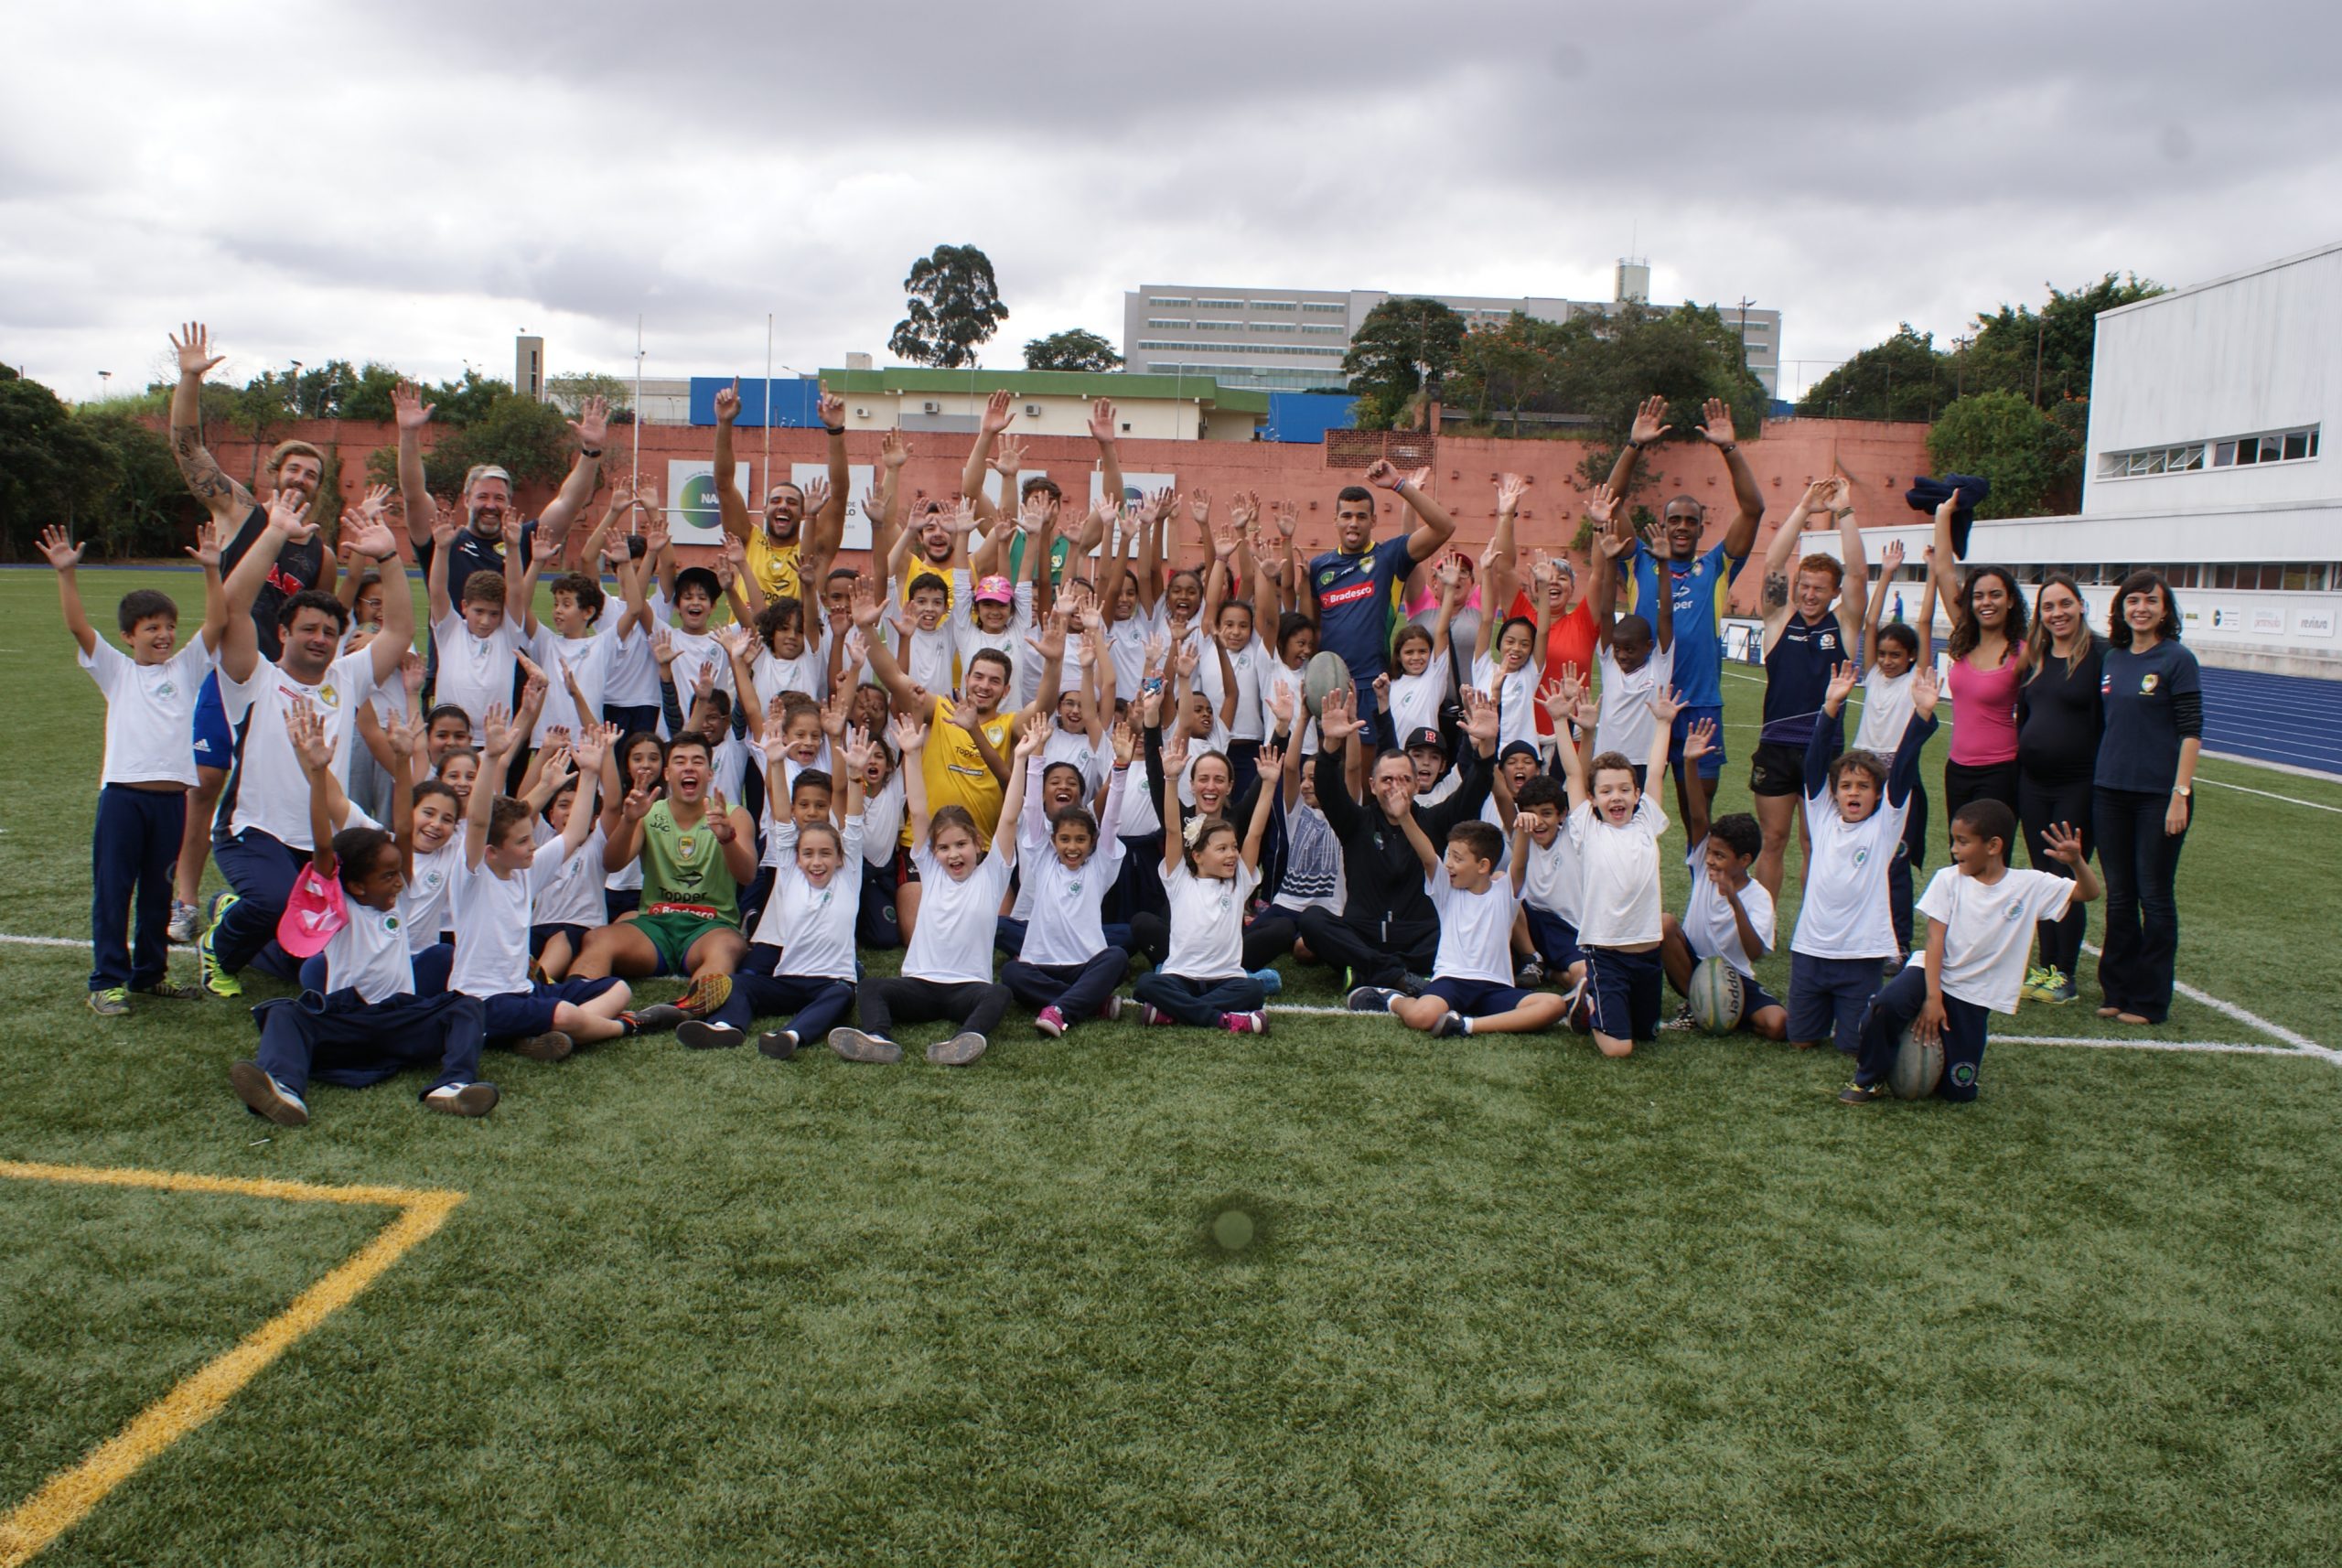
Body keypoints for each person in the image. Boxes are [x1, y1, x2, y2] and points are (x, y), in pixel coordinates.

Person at [230, 707, 493, 1127]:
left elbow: (404, 832)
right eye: (387, 876)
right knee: (284, 1011)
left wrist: (405, 764)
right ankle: (285, 1089)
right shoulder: (341, 907)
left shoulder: (401, 899)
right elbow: (321, 843)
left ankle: (453, 1085)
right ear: (353, 885)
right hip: (346, 1021)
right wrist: (317, 774)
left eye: (398, 874)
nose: (398, 882)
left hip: (399, 1020)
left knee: (467, 1007)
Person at [198, 492, 414, 997]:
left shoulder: (347, 677)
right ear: (283, 632)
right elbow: (232, 610)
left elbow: (400, 629)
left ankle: (244, 918)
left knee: (314, 959)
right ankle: (219, 949)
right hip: (255, 831)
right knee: (273, 901)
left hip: (322, 840)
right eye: (309, 629)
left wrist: (388, 555)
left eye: (330, 632)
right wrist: (274, 532)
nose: (320, 639)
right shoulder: (254, 677)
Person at [166, 323, 330, 942]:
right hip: (226, 669)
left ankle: (259, 902)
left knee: (266, 793)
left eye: (313, 473)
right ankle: (183, 900)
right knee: (206, 780)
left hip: (278, 689)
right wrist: (190, 378)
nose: (302, 479)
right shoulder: (241, 511)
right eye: (293, 468)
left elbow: (327, 621)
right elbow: (187, 451)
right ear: (274, 475)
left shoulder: (320, 551)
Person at [42, 521, 227, 1013]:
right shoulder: (117, 671)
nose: (164, 635)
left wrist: (212, 570)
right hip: (124, 798)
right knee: (114, 891)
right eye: (152, 628)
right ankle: (106, 980)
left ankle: (149, 974)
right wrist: (66, 574)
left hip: (171, 802)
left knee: (157, 894)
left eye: (169, 626)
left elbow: (217, 624)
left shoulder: (187, 668)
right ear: (128, 636)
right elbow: (79, 628)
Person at [1843, 803, 2100, 1104]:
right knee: (1887, 1005)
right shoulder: (1948, 880)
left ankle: (1919, 1052)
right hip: (1931, 974)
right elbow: (1934, 939)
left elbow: (2089, 893)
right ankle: (1869, 1077)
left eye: (1963, 841)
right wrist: (1933, 998)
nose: (1954, 849)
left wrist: (2076, 862)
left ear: (1993, 846)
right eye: (1954, 840)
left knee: (1958, 1092)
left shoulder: (2028, 885)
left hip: (1974, 995)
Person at [449, 712, 670, 1058]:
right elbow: (478, 821)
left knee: (619, 989)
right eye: (523, 842)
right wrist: (491, 759)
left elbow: (575, 834)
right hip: (482, 1003)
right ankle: (625, 1026)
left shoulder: (525, 872)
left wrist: (590, 774)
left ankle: (553, 1031)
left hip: (523, 991)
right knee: (566, 1013)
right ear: (491, 852)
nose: (533, 846)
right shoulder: (471, 874)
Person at [828, 713, 1036, 1066]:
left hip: (968, 989)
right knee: (871, 986)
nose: (953, 854)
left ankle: (965, 1040)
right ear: (932, 852)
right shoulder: (931, 869)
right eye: (944, 848)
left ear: (977, 844)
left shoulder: (993, 874)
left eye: (961, 845)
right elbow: (920, 811)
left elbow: (1010, 817)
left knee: (999, 993)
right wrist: (911, 753)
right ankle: (878, 1038)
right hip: (920, 984)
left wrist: (1019, 759)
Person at [1604, 395, 1765, 829]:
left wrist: (1729, 448)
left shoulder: (1715, 567)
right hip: (1642, 703)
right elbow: (1610, 503)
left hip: (1699, 706)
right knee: (1627, 815)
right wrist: (1634, 446)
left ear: (1700, 527)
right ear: (1664, 522)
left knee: (1699, 817)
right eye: (1674, 519)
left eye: (1689, 522)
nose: (1680, 527)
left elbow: (1754, 509)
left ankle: (1700, 898)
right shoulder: (1639, 561)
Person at [677, 721, 874, 1058]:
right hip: (787, 979)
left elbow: (853, 824)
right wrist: (777, 762)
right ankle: (726, 1028)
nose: (816, 862)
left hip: (831, 980)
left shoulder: (848, 874)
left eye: (825, 853)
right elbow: (782, 817)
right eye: (808, 854)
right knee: (738, 983)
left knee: (843, 995)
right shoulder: (791, 870)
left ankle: (790, 1036)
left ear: (841, 858)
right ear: (795, 858)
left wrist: (855, 775)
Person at [394, 377, 609, 684]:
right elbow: (414, 493)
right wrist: (408, 434)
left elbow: (568, 504)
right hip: (451, 681)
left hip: (509, 682)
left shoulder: (520, 540)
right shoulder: (444, 541)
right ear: (467, 499)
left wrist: (590, 453)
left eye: (499, 498)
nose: (491, 505)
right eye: (482, 496)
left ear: (509, 503)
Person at [1787, 661, 1941, 1053]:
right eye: (1846, 785)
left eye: (1863, 786)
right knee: (1801, 1041)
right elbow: (1815, 763)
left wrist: (1922, 715)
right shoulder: (1821, 814)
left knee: (1854, 1048)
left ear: (1877, 795)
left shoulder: (1885, 824)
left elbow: (1904, 766)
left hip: (1861, 955)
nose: (1853, 793)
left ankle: (1884, 1016)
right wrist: (1831, 707)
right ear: (1834, 792)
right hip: (1811, 950)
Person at [1312, 687, 1500, 993]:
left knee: (1460, 927)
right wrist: (1331, 744)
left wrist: (1487, 746)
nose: (1395, 787)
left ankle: (1367, 971)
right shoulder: (1356, 821)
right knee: (1313, 920)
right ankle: (1396, 975)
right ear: (1372, 786)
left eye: (1404, 779)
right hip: (1363, 932)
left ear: (1416, 785)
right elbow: (1328, 788)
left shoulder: (1435, 820)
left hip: (1419, 937)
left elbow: (1474, 791)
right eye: (1387, 779)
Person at [571, 731, 758, 1017]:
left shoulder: (733, 815)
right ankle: (576, 1007)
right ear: (668, 773)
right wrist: (628, 820)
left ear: (710, 773)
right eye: (680, 761)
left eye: (697, 761)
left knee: (730, 946)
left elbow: (747, 875)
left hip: (709, 925)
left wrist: (726, 838)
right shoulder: (648, 812)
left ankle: (684, 1011)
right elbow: (612, 863)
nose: (689, 768)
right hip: (655, 925)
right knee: (598, 939)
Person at [1746, 476, 1866, 897]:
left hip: (1825, 747)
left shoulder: (1845, 625)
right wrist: (1804, 507)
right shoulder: (1781, 621)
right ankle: (1766, 923)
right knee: (1773, 839)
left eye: (1820, 589)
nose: (1810, 594)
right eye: (1805, 586)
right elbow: (1773, 565)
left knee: (1815, 842)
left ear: (1834, 593)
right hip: (1777, 746)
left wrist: (1845, 509)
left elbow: (1858, 573)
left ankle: (1812, 923)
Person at [1350, 811, 1568, 1038]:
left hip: (1496, 987)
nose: (1448, 864)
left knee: (1554, 1005)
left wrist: (1523, 831)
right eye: (1448, 855)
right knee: (1420, 1017)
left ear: (1483, 866)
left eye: (1457, 858)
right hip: (1451, 982)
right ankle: (1393, 999)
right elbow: (1427, 857)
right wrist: (1404, 816)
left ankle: (1465, 1025)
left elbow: (1520, 865)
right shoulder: (1447, 891)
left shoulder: (1504, 891)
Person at [2092, 571, 2201, 1027]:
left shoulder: (2178, 659)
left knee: (2154, 896)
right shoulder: (2113, 658)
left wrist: (2181, 793)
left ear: (2164, 609)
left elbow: (2191, 732)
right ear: (2121, 608)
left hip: (2159, 796)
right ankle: (2117, 990)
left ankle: (2150, 1001)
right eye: (2132, 600)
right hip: (2110, 792)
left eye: (2150, 601)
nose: (2140, 608)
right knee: (2119, 896)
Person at [1552, 691, 1681, 1058]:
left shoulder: (1646, 823)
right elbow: (1576, 772)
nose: (1617, 797)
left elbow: (1655, 770)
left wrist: (1662, 724)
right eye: (1606, 791)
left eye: (1625, 789)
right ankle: (1589, 998)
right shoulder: (1587, 830)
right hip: (1606, 954)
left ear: (1637, 794)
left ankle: (1595, 1001)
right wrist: (1562, 722)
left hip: (1647, 953)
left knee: (1647, 1035)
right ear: (1592, 799)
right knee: (1618, 1049)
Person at [1130, 728, 1281, 1033]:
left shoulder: (1238, 879)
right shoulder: (1180, 878)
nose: (1232, 855)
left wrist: (1269, 784)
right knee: (1146, 983)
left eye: (1233, 848)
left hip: (1226, 978)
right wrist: (1170, 778)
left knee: (1252, 991)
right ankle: (1222, 1019)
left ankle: (1173, 1013)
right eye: (1222, 849)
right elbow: (1173, 829)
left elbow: (1255, 833)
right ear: (1197, 855)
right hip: (1180, 976)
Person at [1299, 458, 1460, 742]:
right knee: (1327, 775)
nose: (1353, 523)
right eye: (1346, 516)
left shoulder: (1389, 557)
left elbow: (1444, 526)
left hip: (1373, 686)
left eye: (1361, 516)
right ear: (1335, 520)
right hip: (1329, 688)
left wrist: (1399, 485)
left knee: (1368, 773)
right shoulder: (1319, 567)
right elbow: (1312, 628)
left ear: (1373, 521)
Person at [1002, 720, 1138, 1037]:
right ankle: (1092, 1003)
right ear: (1052, 842)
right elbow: (1034, 807)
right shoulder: (1042, 859)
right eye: (1065, 840)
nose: (1072, 847)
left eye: (1080, 840)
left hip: (1084, 964)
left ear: (1093, 842)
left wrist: (1120, 766)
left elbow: (1113, 816)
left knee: (1116, 957)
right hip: (1041, 964)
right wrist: (1037, 752)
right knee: (1011, 973)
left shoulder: (1100, 864)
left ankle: (1059, 1009)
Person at [1659, 720, 1788, 1039]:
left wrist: (1734, 901)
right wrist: (1690, 763)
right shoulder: (1704, 866)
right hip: (1694, 964)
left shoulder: (1758, 896)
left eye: (1720, 855)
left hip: (1734, 976)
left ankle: (1722, 1008)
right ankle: (1694, 1003)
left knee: (1777, 1025)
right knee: (1663, 923)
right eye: (1711, 852)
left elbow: (1755, 952)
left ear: (1744, 861)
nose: (1711, 860)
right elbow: (1698, 815)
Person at [2016, 572, 2104, 1004]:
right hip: (2033, 786)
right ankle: (2046, 967)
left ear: (2081, 605)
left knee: (2066, 875)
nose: (2057, 614)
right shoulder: (2036, 657)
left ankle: (2064, 973)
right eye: (2048, 607)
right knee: (2041, 877)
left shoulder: (2100, 655)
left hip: (2077, 784)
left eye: (2065, 604)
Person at [1854, 539, 1938, 962]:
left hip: (1897, 775)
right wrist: (1885, 573)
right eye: (1883, 655)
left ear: (1910, 659)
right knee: (1859, 855)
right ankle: (1861, 933)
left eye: (1895, 656)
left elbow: (1923, 623)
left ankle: (1897, 942)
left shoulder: (1914, 681)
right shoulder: (1872, 675)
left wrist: (1933, 572)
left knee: (1896, 862)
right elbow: (1870, 625)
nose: (1887, 661)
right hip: (1860, 771)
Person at [1928, 490, 2028, 827]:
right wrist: (1944, 514)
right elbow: (1943, 569)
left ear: (2011, 601)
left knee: (1990, 858)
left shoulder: (2023, 651)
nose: (1987, 602)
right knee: (1962, 855)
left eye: (1996, 595)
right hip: (1957, 768)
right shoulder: (1966, 637)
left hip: (2000, 769)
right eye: (1979, 596)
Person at [712, 377, 849, 607]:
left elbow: (839, 494)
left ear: (804, 512)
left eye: (792, 502)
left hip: (796, 644)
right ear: (765, 510)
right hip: (746, 643)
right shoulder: (747, 542)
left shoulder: (814, 552)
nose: (783, 505)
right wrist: (724, 423)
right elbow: (724, 484)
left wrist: (835, 430)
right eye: (775, 500)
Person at [1583, 490, 1674, 787]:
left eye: (1630, 650)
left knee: (1642, 829)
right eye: (1619, 649)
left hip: (1645, 763)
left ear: (1649, 647)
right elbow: (1607, 612)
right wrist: (1610, 560)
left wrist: (1663, 567)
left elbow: (1665, 617)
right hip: (1607, 760)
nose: (1622, 655)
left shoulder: (1658, 666)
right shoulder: (1609, 663)